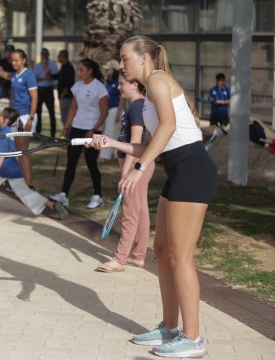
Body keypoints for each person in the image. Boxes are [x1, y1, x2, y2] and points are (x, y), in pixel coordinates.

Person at [89, 35, 217, 358]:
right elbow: (148, 145)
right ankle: (170, 328)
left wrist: (139, 168)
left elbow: (169, 127)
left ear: (144, 59)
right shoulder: (145, 100)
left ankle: (194, 338)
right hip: (178, 171)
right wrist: (112, 144)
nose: (121, 65)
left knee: (180, 255)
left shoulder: (159, 80)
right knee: (161, 249)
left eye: (125, 58)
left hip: (193, 169)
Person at [96, 74, 154, 272]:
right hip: (137, 163)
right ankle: (138, 256)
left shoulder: (137, 107)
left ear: (134, 85)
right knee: (140, 208)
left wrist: (127, 171)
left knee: (130, 212)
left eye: (122, 84)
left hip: (136, 163)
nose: (119, 87)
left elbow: (135, 143)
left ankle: (119, 259)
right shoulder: (136, 106)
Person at [0, 107, 68, 220]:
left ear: (6, 120)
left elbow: (2, 155)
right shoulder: (10, 133)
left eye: (1, 115)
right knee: (26, 192)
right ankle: (53, 205)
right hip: (14, 168)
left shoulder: (3, 134)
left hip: (3, 168)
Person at [50, 58, 108, 209]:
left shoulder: (99, 88)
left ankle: (98, 196)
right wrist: (66, 127)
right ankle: (64, 195)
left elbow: (104, 112)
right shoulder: (77, 86)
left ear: (90, 71)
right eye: (79, 69)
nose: (79, 72)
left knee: (91, 164)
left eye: (82, 69)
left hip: (92, 130)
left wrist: (94, 130)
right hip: (77, 128)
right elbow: (73, 108)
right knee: (71, 162)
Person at [10, 49, 38, 189]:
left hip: (26, 116)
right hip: (14, 116)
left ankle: (29, 184)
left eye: (16, 60)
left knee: (22, 150)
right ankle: (18, 182)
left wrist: (31, 118)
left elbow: (34, 98)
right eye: (12, 60)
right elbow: (12, 96)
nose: (14, 63)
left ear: (24, 60)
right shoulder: (14, 75)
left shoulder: (29, 76)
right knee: (15, 150)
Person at [99, 59, 123, 161]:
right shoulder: (108, 81)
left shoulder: (119, 81)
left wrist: (118, 112)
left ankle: (104, 156)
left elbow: (122, 97)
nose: (107, 71)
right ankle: (115, 154)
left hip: (114, 109)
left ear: (114, 70)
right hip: (108, 110)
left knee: (109, 132)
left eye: (108, 69)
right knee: (113, 132)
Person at [34, 48, 58, 137]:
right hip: (39, 89)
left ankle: (53, 134)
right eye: (42, 54)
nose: (44, 56)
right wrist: (43, 78)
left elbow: (51, 76)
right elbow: (35, 79)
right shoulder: (37, 66)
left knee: (51, 112)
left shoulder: (52, 65)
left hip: (49, 89)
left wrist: (46, 67)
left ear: (48, 55)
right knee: (38, 112)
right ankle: (38, 133)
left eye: (45, 54)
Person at [52, 50, 75, 128]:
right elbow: (57, 76)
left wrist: (63, 93)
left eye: (59, 56)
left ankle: (69, 137)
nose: (58, 58)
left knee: (66, 119)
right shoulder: (63, 67)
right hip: (63, 96)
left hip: (66, 97)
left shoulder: (69, 68)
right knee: (64, 119)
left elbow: (69, 83)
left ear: (63, 57)